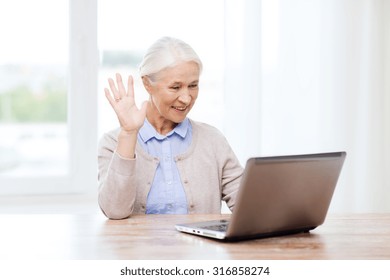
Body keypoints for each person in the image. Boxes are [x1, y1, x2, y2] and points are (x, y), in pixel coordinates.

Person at [98, 37, 243, 219]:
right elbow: (115, 211)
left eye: (193, 86)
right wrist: (128, 134)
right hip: (137, 248)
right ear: (147, 84)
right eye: (175, 87)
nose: (186, 98)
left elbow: (250, 206)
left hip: (200, 248)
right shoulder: (111, 143)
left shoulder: (212, 140)